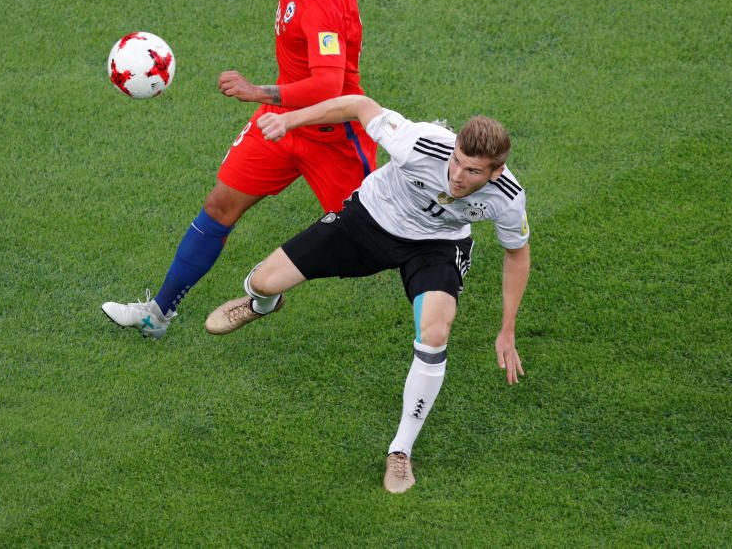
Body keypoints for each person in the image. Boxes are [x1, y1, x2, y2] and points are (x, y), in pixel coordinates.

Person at [204, 94, 531, 494]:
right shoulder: (419, 142)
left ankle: (401, 451)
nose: (458, 176)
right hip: (370, 219)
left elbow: (517, 254)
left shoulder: (508, 197)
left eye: (473, 171)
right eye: (457, 161)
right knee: (263, 280)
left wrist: (507, 328)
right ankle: (260, 304)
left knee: (434, 333)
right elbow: (360, 105)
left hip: (436, 246)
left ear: (495, 173)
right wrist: (290, 120)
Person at [102, 0, 376, 338]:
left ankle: (442, 202)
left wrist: (255, 91)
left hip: (331, 133)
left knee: (373, 242)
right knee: (219, 205)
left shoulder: (322, 7)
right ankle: (158, 313)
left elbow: (328, 86)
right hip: (280, 124)